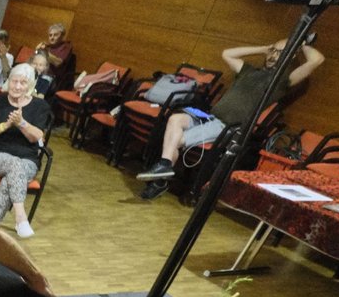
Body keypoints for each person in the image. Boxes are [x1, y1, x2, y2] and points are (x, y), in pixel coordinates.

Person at [136, 39, 325, 199]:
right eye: (273, 50)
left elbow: (317, 60)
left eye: (280, 52)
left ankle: (161, 179)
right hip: (209, 117)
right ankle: (165, 167)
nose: (273, 55)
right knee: (175, 119)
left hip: (227, 127)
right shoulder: (249, 71)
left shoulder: (283, 81)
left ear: (290, 56)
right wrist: (263, 48)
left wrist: (301, 44)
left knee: (175, 140)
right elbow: (228, 53)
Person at [0, 63, 52, 237]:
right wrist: (5, 125)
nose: (17, 86)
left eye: (23, 83)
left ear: (30, 86)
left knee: (11, 177)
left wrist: (21, 123)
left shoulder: (40, 106)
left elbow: (36, 137)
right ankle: (20, 216)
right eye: (14, 81)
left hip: (28, 160)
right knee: (14, 164)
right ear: (8, 82)